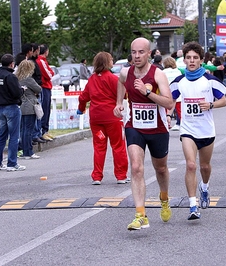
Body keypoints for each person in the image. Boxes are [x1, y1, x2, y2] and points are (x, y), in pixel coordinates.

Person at [113, 37, 174, 230]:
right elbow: (121, 83)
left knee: (161, 169)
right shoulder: (126, 72)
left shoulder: (158, 75)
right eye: (133, 52)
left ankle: (164, 198)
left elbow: (169, 103)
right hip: (135, 126)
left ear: (149, 53)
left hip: (157, 128)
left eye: (141, 52)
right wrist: (119, 102)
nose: (137, 56)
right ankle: (140, 214)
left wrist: (147, 93)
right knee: (137, 168)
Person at [167, 41, 226, 220]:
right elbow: (171, 102)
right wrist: (168, 117)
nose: (192, 61)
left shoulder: (210, 81)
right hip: (188, 129)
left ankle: (205, 186)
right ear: (183, 60)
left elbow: (223, 101)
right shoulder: (179, 81)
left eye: (195, 58)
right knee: (191, 165)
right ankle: (193, 205)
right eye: (188, 58)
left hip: (206, 130)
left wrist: (210, 104)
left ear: (201, 60)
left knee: (204, 166)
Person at [78, 52, 128, 185]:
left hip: (96, 119)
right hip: (112, 118)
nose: (113, 61)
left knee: (99, 146)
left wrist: (81, 108)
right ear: (107, 62)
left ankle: (97, 176)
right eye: (111, 59)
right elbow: (123, 94)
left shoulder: (92, 79)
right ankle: (121, 175)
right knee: (118, 145)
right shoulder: (112, 78)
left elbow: (83, 97)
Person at [0, 54, 26, 171]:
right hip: (12, 108)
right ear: (12, 64)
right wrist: (22, 90)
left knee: (2, 136)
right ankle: (12, 163)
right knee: (14, 137)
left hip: (0, 108)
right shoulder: (10, 77)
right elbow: (16, 93)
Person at [16, 60, 42, 160]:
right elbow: (39, 89)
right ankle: (29, 152)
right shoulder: (29, 79)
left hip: (21, 105)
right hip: (30, 106)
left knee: (23, 130)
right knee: (29, 130)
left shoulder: (17, 78)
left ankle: (24, 151)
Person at [36, 44, 54, 141]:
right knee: (45, 109)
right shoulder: (41, 61)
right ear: (46, 51)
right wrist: (51, 73)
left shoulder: (41, 61)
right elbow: (49, 74)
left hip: (45, 86)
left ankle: (45, 130)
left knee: (46, 108)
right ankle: (43, 130)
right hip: (44, 87)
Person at [30, 43, 46, 145]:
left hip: (38, 88)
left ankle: (38, 133)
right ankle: (35, 134)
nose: (38, 53)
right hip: (35, 90)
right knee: (36, 113)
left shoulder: (35, 62)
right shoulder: (33, 63)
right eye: (37, 51)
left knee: (39, 113)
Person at [162, 56, 182, 131]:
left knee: (166, 112)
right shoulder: (178, 71)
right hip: (178, 95)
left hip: (167, 95)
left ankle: (166, 124)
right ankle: (183, 125)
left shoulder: (163, 72)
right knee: (180, 112)